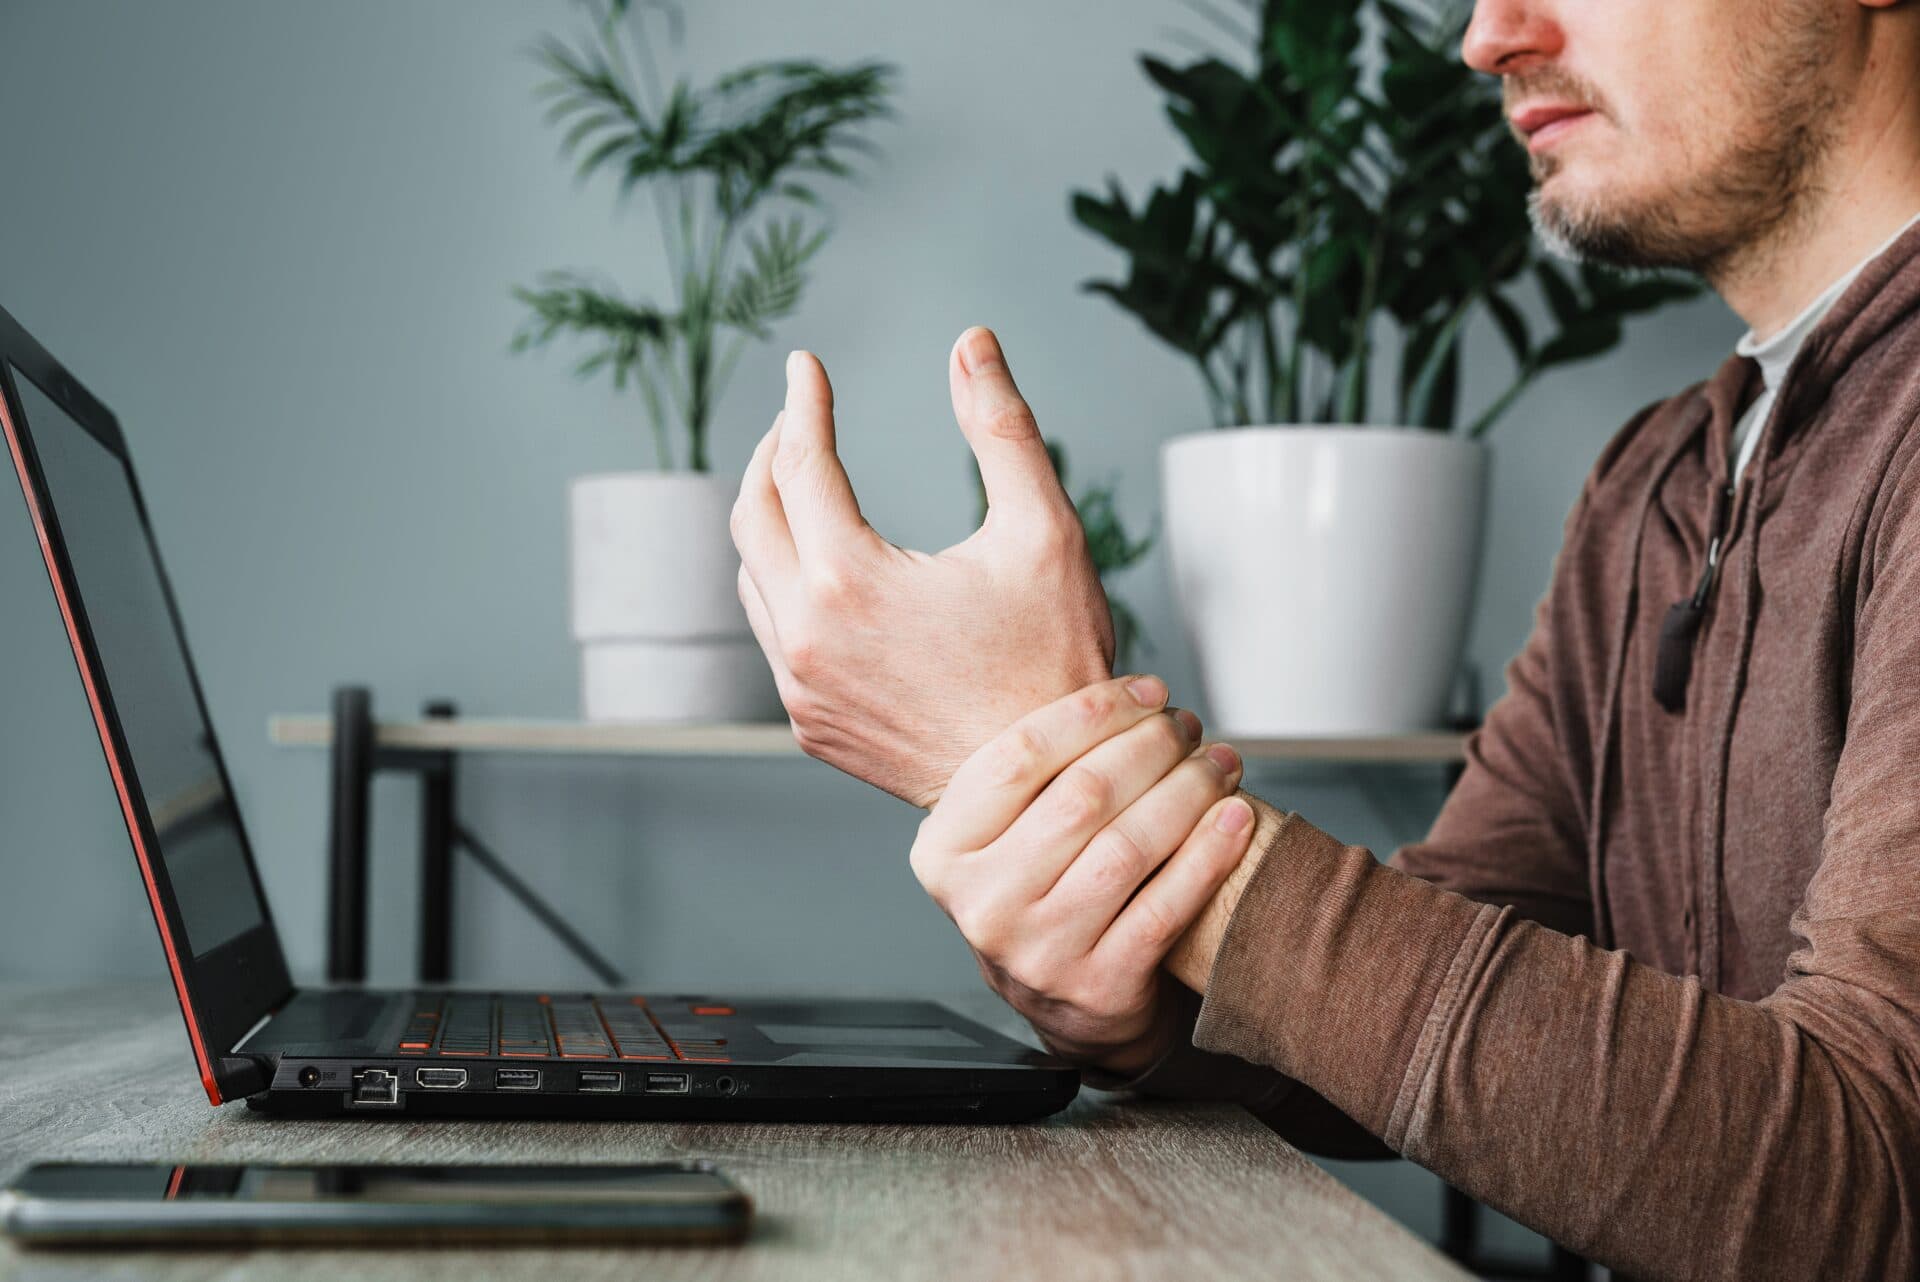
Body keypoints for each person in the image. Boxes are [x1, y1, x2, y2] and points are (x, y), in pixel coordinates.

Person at [729, 0, 1920, 1275]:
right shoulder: (1657, 481)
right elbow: (1445, 969)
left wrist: (1100, 798)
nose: (1489, 35)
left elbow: (1866, 1183)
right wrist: (1142, 977)